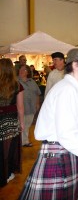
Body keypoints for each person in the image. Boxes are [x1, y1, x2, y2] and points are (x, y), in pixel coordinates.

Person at [19, 48, 78, 199]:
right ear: (75, 65)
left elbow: (68, 133)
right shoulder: (66, 90)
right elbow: (67, 136)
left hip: (63, 154)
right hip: (57, 158)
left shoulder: (72, 89)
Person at [0, 58, 24, 187]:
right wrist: (22, 123)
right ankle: (7, 174)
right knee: (9, 149)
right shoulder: (17, 85)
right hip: (11, 120)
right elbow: (20, 107)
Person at [17, 65, 41, 147]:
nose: (21, 71)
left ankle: (24, 141)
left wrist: (37, 103)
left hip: (31, 108)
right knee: (20, 125)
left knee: (27, 125)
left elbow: (37, 93)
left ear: (27, 72)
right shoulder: (16, 81)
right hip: (21, 108)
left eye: (23, 70)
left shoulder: (32, 81)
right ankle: (22, 141)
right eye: (20, 69)